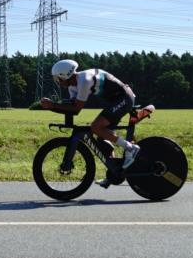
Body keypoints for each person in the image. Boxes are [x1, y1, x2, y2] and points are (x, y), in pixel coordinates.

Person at [34, 59, 140, 188]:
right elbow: (71, 108)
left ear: (65, 75)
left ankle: (130, 148)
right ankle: (114, 172)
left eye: (58, 78)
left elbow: (76, 108)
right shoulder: (73, 86)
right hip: (115, 101)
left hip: (124, 98)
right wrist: (54, 106)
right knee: (102, 136)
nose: (57, 81)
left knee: (96, 127)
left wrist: (52, 106)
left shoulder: (84, 81)